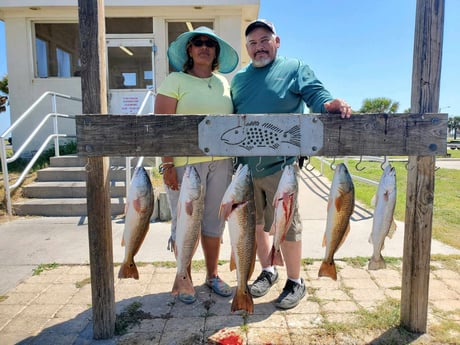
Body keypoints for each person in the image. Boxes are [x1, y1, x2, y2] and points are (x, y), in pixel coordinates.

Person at [231, 19, 352, 310]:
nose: (259, 47)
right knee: (255, 223)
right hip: (246, 169)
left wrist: (328, 105)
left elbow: (315, 94)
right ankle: (268, 270)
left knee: (288, 225)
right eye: (253, 43)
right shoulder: (238, 79)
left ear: (277, 41)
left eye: (264, 40)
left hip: (281, 167)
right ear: (247, 48)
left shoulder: (294, 68)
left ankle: (295, 280)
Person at [154, 26, 239, 304]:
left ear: (216, 52)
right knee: (186, 223)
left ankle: (212, 275)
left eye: (210, 44)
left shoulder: (225, 83)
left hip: (222, 164)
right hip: (184, 166)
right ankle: (183, 277)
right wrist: (167, 165)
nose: (205, 47)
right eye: (198, 43)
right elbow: (162, 126)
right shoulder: (175, 80)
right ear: (189, 50)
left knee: (215, 223)